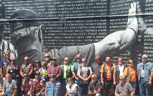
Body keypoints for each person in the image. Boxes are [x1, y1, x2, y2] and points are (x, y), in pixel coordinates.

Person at [9, 7, 140, 66]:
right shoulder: (60, 56)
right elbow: (114, 45)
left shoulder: (10, 66)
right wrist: (132, 28)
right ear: (38, 33)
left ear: (13, 40)